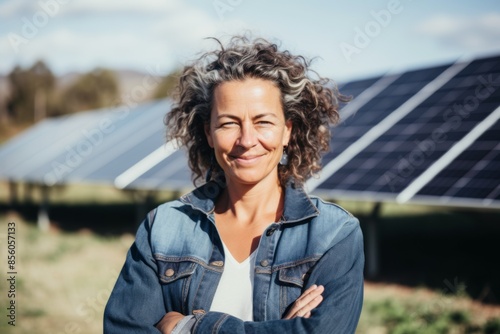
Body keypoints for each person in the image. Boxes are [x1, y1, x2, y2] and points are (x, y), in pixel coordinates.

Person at [104, 35, 364, 333]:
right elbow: (123, 328)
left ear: (286, 132)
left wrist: (189, 327)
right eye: (228, 123)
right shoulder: (163, 227)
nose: (246, 140)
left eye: (263, 122)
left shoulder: (333, 234)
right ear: (209, 133)